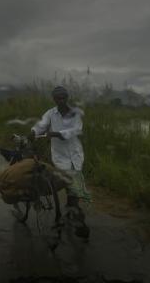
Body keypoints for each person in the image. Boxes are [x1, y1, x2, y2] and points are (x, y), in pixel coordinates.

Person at [31, 85, 90, 234]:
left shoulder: (75, 114)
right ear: (54, 99)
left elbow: (75, 130)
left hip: (75, 156)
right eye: (58, 98)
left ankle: (72, 210)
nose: (61, 100)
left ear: (67, 97)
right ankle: (73, 213)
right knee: (69, 183)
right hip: (60, 156)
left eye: (64, 97)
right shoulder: (50, 114)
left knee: (73, 184)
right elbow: (41, 125)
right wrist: (33, 132)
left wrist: (56, 134)